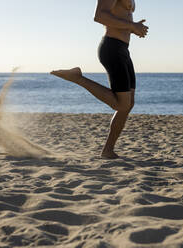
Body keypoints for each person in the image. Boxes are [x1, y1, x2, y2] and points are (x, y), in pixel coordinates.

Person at [51, 0, 148, 159]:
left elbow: (120, 17)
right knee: (121, 104)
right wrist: (131, 26)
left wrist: (134, 28)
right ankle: (77, 78)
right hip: (112, 48)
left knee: (128, 104)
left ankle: (108, 150)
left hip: (123, 49)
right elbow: (100, 16)